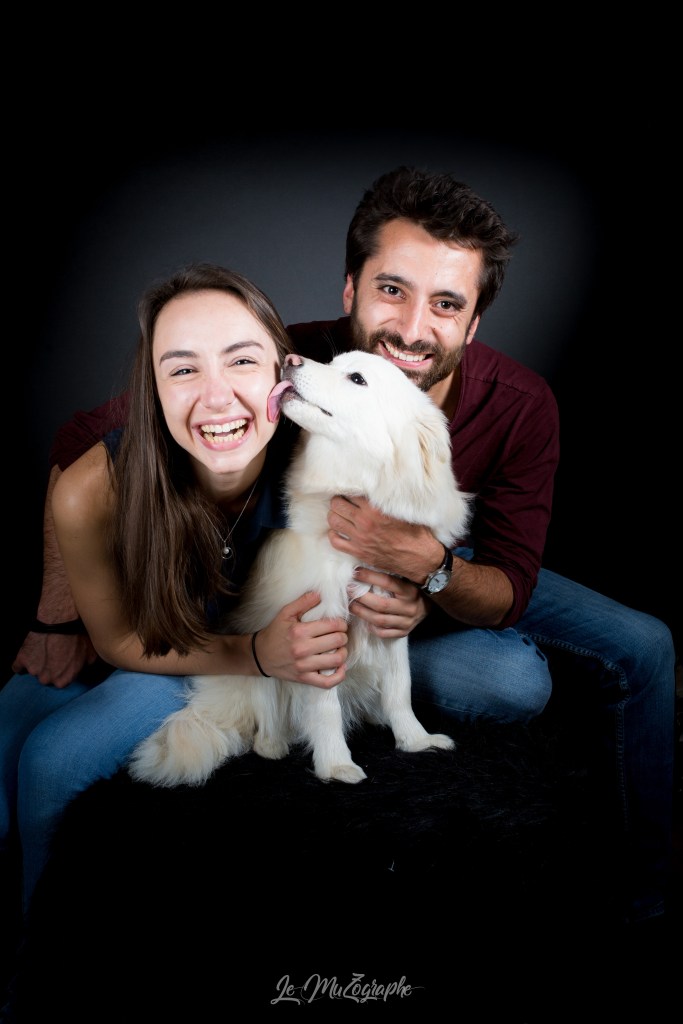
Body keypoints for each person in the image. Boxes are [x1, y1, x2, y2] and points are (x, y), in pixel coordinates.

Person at [6, 167, 677, 930]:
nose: (413, 329)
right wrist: (55, 613)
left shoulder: (519, 406)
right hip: (296, 577)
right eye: (392, 290)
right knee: (501, 678)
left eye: (446, 304)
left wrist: (425, 569)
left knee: (641, 644)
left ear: (473, 323)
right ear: (351, 290)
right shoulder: (287, 362)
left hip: (444, 569)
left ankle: (646, 898)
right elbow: (86, 444)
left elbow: (511, 583)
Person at [0, 262, 351, 915]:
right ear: (152, 389)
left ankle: (34, 950)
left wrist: (261, 657)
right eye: (183, 369)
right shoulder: (88, 488)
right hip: (149, 643)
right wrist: (254, 653)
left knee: (51, 759)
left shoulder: (326, 465)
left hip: (208, 664)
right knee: (5, 744)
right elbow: (117, 641)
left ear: (283, 374)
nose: (215, 398)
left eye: (242, 362)